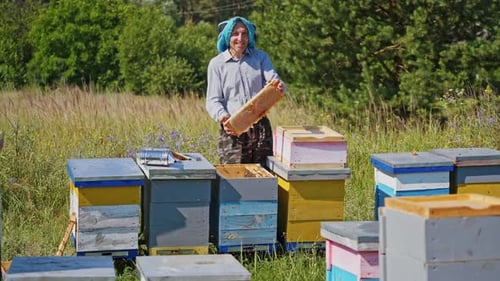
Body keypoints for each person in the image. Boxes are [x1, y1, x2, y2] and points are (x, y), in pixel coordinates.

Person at [206, 16, 286, 166]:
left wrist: (278, 85)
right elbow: (213, 100)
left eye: (244, 34)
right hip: (233, 130)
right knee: (234, 179)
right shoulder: (216, 64)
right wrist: (223, 117)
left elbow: (274, 79)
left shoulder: (260, 58)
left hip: (260, 128)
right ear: (227, 36)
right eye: (235, 34)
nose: (240, 38)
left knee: (263, 177)